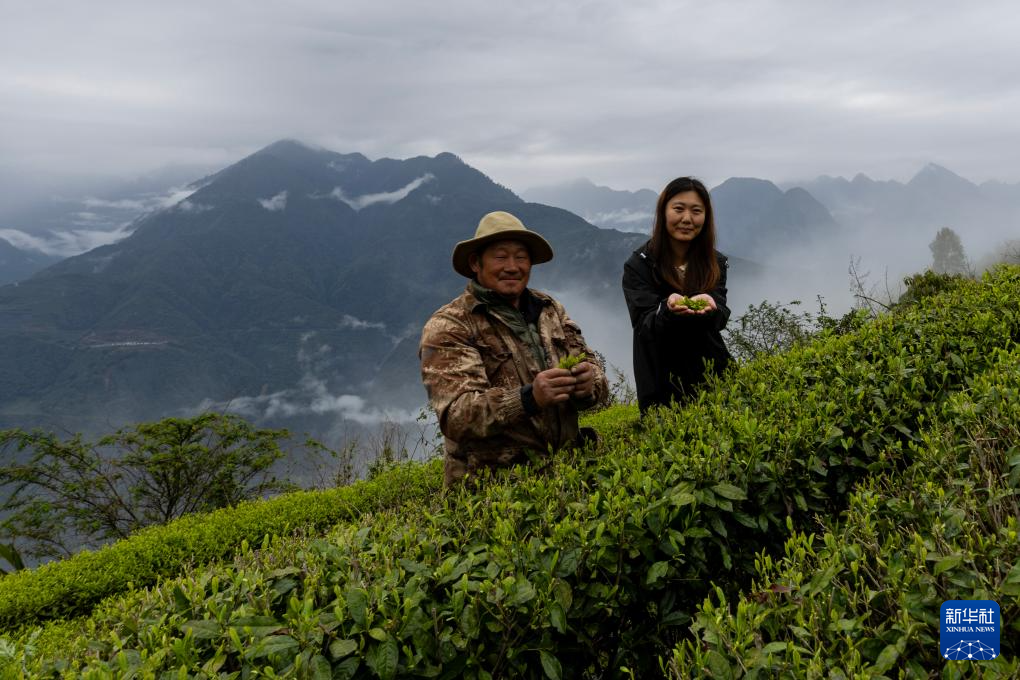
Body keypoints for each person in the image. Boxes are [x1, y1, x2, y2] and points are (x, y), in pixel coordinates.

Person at [420, 211, 608, 487]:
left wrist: (589, 383)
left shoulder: (550, 309)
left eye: (521, 257)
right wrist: (529, 398)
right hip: (495, 492)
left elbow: (591, 366)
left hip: (569, 475)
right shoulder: (450, 325)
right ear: (475, 263)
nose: (512, 266)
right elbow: (456, 416)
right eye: (500, 257)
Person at [622, 177, 732, 413]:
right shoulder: (639, 266)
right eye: (679, 209)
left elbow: (720, 317)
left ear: (706, 217)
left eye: (696, 211)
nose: (687, 219)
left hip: (715, 380)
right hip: (662, 389)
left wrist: (712, 307)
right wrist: (667, 309)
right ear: (663, 212)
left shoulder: (715, 262)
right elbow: (644, 325)